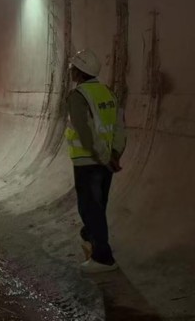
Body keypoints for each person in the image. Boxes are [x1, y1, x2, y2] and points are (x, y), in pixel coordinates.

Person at [66, 49, 127, 273]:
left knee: (90, 209)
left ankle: (103, 259)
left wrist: (103, 157)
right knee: (98, 207)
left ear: (79, 72)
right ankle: (90, 238)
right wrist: (115, 154)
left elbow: (86, 132)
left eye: (73, 67)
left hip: (88, 161)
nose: (71, 70)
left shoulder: (78, 96)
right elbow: (119, 126)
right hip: (106, 161)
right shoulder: (107, 93)